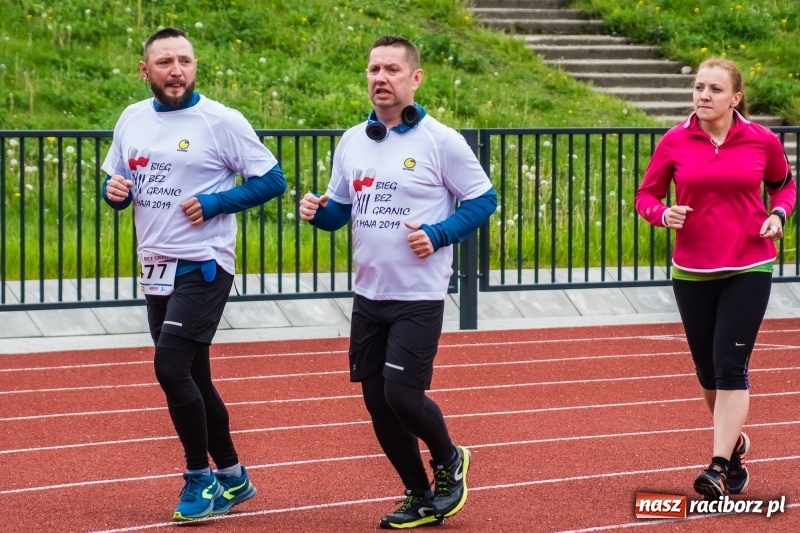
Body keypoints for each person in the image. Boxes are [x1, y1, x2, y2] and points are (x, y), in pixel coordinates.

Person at [299, 35, 496, 529]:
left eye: (391, 69)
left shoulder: (441, 140)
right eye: (374, 70)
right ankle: (418, 494)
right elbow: (340, 210)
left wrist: (439, 233)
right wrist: (317, 212)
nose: (380, 78)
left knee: (402, 397)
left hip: (418, 296)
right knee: (376, 403)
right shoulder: (353, 140)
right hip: (369, 295)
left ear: (415, 78)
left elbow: (483, 199)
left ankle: (449, 459)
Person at [101, 27, 286, 521]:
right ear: (145, 70)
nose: (176, 70)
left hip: (204, 264)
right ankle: (233, 475)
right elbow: (117, 179)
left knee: (169, 368)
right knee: (194, 375)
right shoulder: (132, 118)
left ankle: (199, 478)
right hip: (155, 266)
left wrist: (216, 202)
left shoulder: (220, 120)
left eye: (184, 60)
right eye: (165, 62)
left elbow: (273, 180)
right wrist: (112, 193)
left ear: (195, 66)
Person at [635, 58, 795, 499]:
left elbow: (784, 185)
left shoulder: (762, 140)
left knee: (729, 365)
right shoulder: (674, 140)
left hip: (749, 266)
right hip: (692, 270)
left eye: (715, 89)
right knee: (707, 370)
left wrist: (779, 214)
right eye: (698, 87)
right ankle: (735, 446)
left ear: (735, 98)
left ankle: (718, 466)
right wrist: (661, 213)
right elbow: (646, 194)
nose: (703, 95)